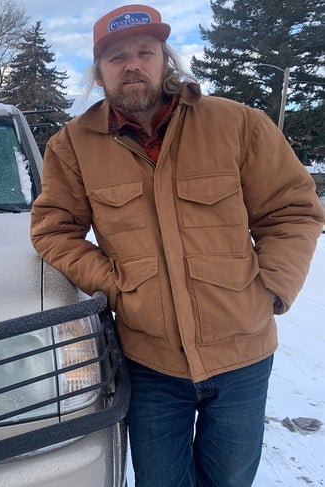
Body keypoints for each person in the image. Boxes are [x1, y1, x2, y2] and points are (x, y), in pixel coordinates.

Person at [29, 4, 324, 486]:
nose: (132, 64)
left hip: (243, 355)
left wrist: (271, 287)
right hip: (150, 362)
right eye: (116, 56)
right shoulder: (72, 145)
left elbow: (292, 211)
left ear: (166, 60)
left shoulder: (238, 125)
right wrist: (116, 284)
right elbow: (52, 229)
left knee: (229, 480)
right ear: (99, 73)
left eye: (145, 51)